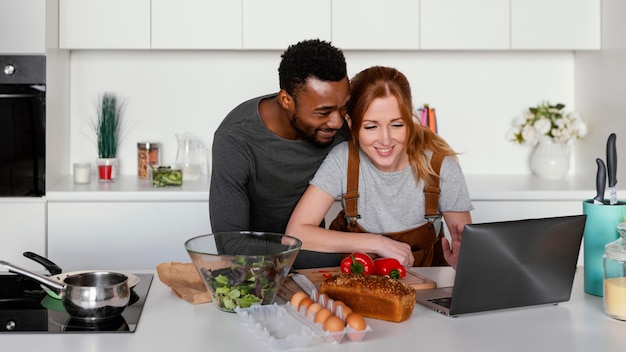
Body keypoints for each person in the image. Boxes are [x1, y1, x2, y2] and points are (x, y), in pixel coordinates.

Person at [285, 66, 473, 269]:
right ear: (350, 123)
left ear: (409, 119)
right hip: (358, 290)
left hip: (424, 290)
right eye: (371, 126)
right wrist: (377, 243)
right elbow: (295, 234)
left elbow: (469, 252)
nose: (385, 139)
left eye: (397, 124)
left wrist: (464, 263)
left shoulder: (441, 165)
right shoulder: (344, 160)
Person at [209, 39, 351, 269]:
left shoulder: (342, 129)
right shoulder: (236, 138)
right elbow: (233, 248)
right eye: (323, 112)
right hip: (252, 274)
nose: (336, 121)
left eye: (344, 107)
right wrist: (355, 256)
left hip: (319, 271)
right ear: (286, 100)